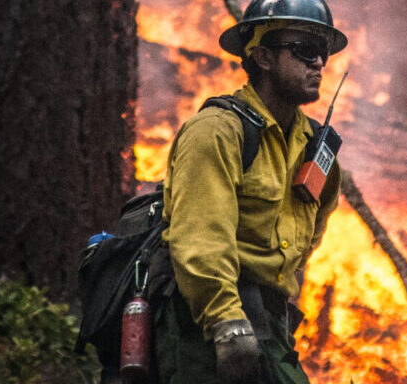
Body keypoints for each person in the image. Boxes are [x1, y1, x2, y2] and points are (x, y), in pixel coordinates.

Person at [156, 0, 347, 383]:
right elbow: (200, 238)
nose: (318, 63)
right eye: (305, 50)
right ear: (263, 57)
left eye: (322, 53)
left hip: (270, 324)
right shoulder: (217, 132)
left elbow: (313, 229)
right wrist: (226, 323)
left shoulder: (315, 147)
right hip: (204, 327)